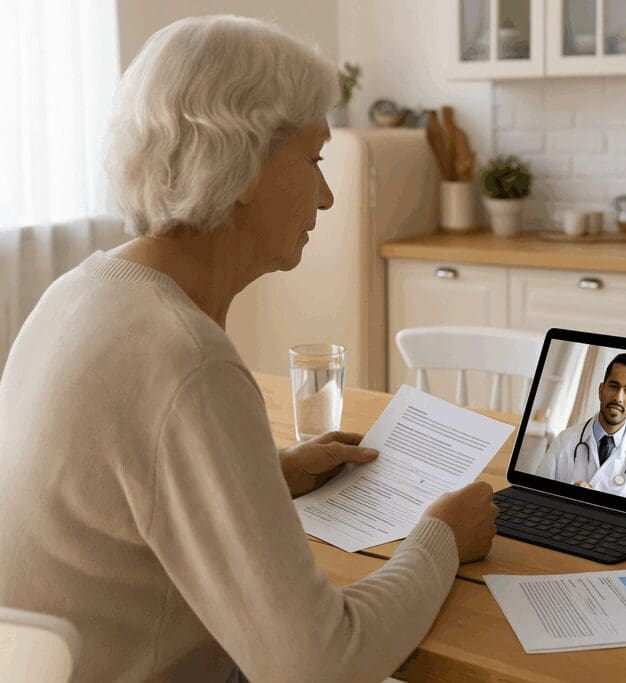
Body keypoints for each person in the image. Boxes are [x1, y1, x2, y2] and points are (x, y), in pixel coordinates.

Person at [0, 15, 497, 682]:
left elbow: (125, 497)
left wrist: (272, 473)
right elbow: (319, 663)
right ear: (236, 165)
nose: (325, 196)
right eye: (314, 159)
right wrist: (439, 537)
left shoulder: (76, 294)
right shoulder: (185, 357)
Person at [539, 353, 626, 504]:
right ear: (601, 390)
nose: (618, 398)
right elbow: (537, 496)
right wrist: (568, 494)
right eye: (613, 386)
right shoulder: (565, 440)